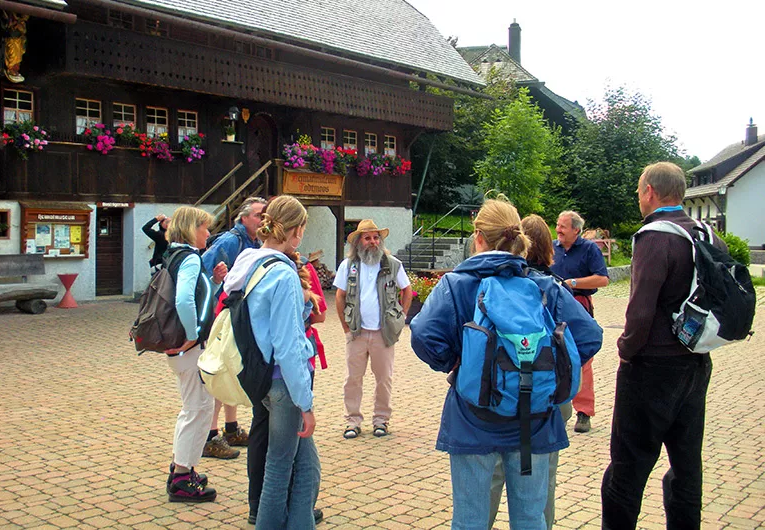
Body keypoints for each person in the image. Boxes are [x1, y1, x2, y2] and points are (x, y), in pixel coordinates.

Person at [410, 199, 603, 529]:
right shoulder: (544, 286)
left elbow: (423, 336)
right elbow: (589, 337)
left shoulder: (456, 285)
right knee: (530, 518)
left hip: (473, 419)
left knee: (470, 519)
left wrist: (458, 363)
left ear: (478, 237)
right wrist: (553, 370)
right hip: (535, 421)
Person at [601, 162, 725, 529]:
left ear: (650, 192)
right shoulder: (705, 234)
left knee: (627, 470)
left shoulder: (656, 236)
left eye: (640, 191)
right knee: (687, 468)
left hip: (652, 368)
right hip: (696, 363)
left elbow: (640, 312)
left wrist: (625, 350)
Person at [223, 195, 320, 529]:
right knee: (280, 468)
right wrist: (305, 401)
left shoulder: (247, 261)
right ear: (295, 231)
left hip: (259, 375)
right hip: (283, 382)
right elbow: (289, 345)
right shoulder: (284, 274)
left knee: (307, 464)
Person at [487, 213, 575, 530]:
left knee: (495, 473)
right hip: (548, 397)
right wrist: (562, 369)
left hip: (501, 392)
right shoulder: (552, 287)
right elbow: (590, 337)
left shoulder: (494, 285)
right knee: (543, 477)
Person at [163, 206, 228, 502]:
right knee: (198, 409)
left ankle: (181, 467)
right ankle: (182, 475)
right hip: (188, 347)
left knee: (193, 408)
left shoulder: (175, 255)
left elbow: (196, 297)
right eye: (204, 228)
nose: (208, 233)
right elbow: (184, 300)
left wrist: (213, 282)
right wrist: (192, 335)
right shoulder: (189, 258)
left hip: (181, 348)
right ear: (191, 229)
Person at [201, 196, 267, 459]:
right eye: (259, 215)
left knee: (232, 368)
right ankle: (210, 435)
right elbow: (202, 273)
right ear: (244, 218)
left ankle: (230, 428)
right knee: (219, 370)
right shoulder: (230, 241)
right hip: (222, 315)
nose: (263, 220)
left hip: (238, 315)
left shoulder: (254, 243)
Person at [334, 219, 412, 439]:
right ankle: (352, 421)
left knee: (384, 379)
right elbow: (339, 296)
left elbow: (407, 290)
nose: (373, 241)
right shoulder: (347, 265)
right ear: (359, 241)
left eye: (376, 237)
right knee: (352, 379)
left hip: (383, 333)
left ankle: (381, 420)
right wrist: (345, 328)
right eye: (367, 237)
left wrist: (401, 316)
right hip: (357, 332)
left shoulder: (392, 264)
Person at [550, 210, 609, 433]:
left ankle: (584, 412)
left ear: (576, 230)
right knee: (553, 355)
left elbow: (602, 279)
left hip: (579, 307)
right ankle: (555, 406)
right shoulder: (552, 248)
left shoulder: (589, 249)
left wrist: (572, 283)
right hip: (554, 307)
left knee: (583, 359)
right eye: (557, 225)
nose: (558, 230)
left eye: (563, 226)